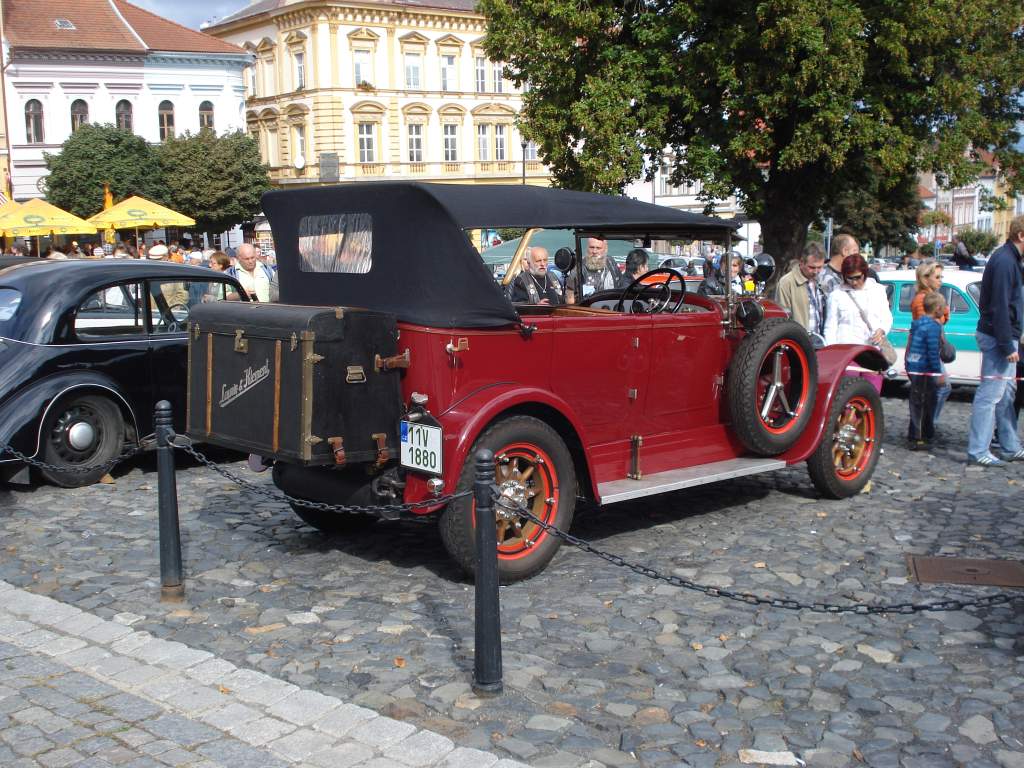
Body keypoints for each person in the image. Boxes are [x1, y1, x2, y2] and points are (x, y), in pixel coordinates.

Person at [965, 216, 1024, 467]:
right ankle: (978, 449)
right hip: (998, 337)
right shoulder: (1004, 261)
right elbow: (999, 305)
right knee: (990, 395)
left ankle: (1010, 446)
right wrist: (1007, 344)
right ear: (1021, 235)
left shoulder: (1010, 260)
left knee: (1006, 393)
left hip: (1004, 335)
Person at [823, 253, 893, 390]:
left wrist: (882, 330)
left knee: (871, 393)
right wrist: (833, 353)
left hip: (872, 351)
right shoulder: (836, 295)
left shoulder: (877, 290)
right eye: (849, 278)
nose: (854, 282)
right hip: (847, 353)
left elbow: (886, 317)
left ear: (865, 273)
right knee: (848, 394)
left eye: (857, 277)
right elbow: (830, 327)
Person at [909, 260, 952, 421]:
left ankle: (927, 424)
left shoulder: (933, 297)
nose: (940, 280)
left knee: (935, 389)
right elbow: (927, 326)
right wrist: (943, 314)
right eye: (937, 277)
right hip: (925, 352)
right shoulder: (922, 299)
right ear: (925, 278)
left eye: (941, 276)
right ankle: (928, 423)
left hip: (929, 350)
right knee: (939, 388)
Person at [906, 292, 947, 451]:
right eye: (943, 307)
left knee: (916, 402)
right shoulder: (933, 327)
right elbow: (932, 351)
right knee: (925, 403)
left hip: (914, 366)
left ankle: (917, 433)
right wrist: (938, 372)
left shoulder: (918, 323)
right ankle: (919, 437)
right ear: (937, 309)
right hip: (925, 370)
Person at [774, 243, 826, 336]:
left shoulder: (821, 280)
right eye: (812, 267)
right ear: (801, 262)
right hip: (799, 342)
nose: (816, 271)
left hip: (820, 340)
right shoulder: (787, 282)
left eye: (819, 267)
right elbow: (782, 319)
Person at [566, 237, 622, 303]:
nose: (594, 251)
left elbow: (620, 285)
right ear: (587, 248)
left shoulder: (611, 262)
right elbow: (570, 298)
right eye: (591, 247)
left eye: (598, 248)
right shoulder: (578, 269)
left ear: (605, 249)